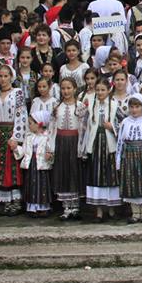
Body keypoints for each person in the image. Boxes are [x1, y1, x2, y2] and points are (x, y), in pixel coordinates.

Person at [0, 65, 27, 216]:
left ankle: (16, 202)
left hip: (11, 133)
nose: (3, 79)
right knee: (1, 168)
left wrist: (16, 137)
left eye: (6, 76)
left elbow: (21, 115)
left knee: (13, 168)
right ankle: (5, 202)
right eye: (0, 76)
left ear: (11, 77)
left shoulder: (18, 93)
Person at [81, 76, 122, 220]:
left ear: (109, 90)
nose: (99, 92)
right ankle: (98, 210)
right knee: (96, 175)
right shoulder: (91, 104)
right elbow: (84, 123)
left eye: (103, 90)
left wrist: (113, 127)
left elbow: (124, 122)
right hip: (95, 143)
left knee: (110, 176)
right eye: (97, 90)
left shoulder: (114, 105)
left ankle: (111, 208)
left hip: (109, 144)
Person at [115, 93, 142, 223]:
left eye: (137, 106)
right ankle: (135, 213)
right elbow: (120, 141)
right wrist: (118, 160)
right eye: (131, 107)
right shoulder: (125, 122)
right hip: (129, 155)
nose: (134, 110)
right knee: (131, 182)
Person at [50, 77, 85, 221]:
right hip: (61, 142)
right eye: (63, 88)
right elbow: (52, 128)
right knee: (63, 172)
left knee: (74, 172)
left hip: (74, 141)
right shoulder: (57, 107)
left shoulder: (80, 106)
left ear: (75, 89)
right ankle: (66, 207)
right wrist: (51, 147)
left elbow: (83, 128)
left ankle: (75, 207)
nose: (66, 91)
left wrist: (81, 146)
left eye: (69, 88)